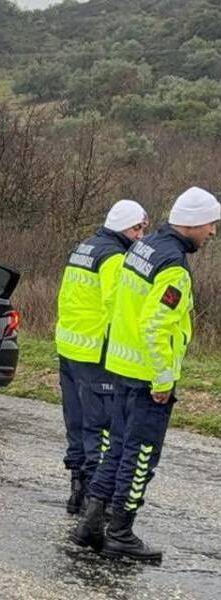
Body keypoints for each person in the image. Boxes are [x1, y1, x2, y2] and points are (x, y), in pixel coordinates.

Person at [74, 187, 219, 562]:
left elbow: (124, 304)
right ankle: (121, 532)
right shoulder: (172, 265)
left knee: (116, 448)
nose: (213, 233)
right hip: (146, 375)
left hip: (121, 364)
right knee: (140, 458)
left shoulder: (145, 246)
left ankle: (91, 524)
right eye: (210, 225)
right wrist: (163, 381)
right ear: (191, 223)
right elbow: (157, 327)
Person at [56, 200, 149, 516]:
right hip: (96, 352)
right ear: (125, 226)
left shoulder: (84, 248)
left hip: (69, 347)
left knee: (77, 423)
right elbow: (117, 307)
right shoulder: (113, 257)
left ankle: (76, 493)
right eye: (138, 228)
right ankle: (98, 501)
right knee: (101, 427)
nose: (140, 236)